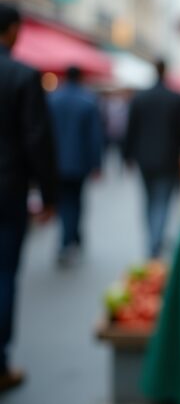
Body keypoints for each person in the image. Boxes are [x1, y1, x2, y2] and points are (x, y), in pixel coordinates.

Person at [0, 1, 57, 390]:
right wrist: (49, 194)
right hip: (7, 191)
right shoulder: (21, 75)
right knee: (4, 274)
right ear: (13, 30)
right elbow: (37, 139)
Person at [123, 59, 180, 258]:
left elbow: (130, 129)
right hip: (168, 159)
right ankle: (155, 241)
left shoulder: (141, 98)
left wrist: (127, 156)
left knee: (149, 200)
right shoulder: (175, 98)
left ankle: (153, 240)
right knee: (161, 201)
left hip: (144, 159)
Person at [48, 65, 103, 265]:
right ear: (80, 77)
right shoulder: (87, 100)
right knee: (75, 202)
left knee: (64, 202)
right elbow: (95, 137)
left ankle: (72, 237)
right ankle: (68, 241)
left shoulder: (52, 99)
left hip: (56, 162)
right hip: (79, 162)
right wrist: (97, 164)